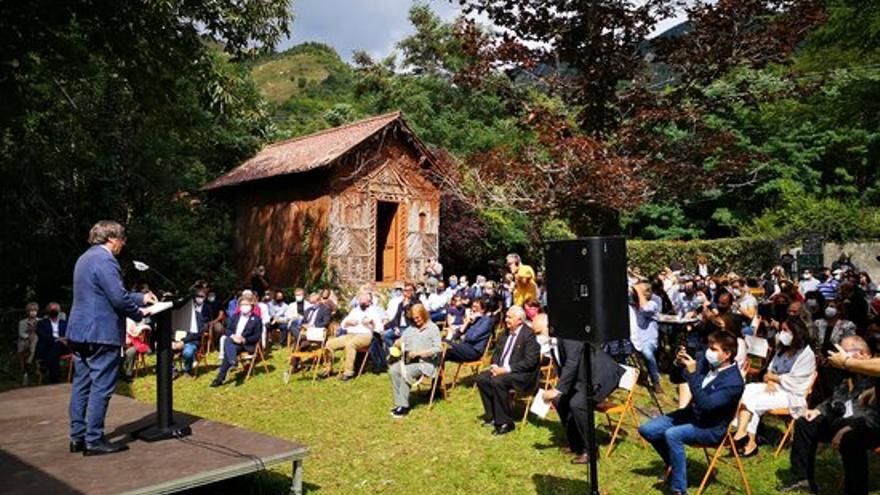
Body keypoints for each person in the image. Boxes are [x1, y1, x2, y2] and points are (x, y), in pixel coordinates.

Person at [67, 220, 156, 455]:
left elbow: (102, 293)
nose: (123, 245)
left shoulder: (84, 258)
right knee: (102, 387)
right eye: (122, 240)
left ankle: (77, 438)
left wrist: (140, 297)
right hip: (100, 334)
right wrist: (140, 313)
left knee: (81, 385)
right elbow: (117, 299)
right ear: (111, 239)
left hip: (79, 332)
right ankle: (94, 440)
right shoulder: (107, 260)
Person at [638, 331, 745, 495]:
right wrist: (677, 362)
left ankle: (679, 490)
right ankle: (673, 461)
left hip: (711, 427)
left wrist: (693, 374)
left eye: (714, 349)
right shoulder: (704, 362)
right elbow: (675, 379)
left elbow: (706, 406)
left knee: (672, 434)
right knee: (647, 429)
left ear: (728, 354)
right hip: (691, 415)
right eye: (709, 347)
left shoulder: (734, 382)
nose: (709, 352)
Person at [778, 336, 877, 495]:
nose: (837, 357)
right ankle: (803, 479)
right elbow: (836, 400)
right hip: (842, 420)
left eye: (843, 353)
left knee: (850, 439)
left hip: (868, 426)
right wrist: (819, 410)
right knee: (805, 423)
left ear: (862, 354)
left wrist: (848, 427)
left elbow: (874, 415)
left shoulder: (874, 376)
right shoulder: (848, 375)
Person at [732, 317, 816, 456]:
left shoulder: (806, 355)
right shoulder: (782, 349)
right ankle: (743, 433)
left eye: (785, 330)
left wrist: (774, 378)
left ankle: (748, 439)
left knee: (757, 402)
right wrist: (771, 380)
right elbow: (770, 371)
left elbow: (795, 381)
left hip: (792, 394)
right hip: (775, 387)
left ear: (796, 332)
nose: (781, 334)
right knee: (746, 389)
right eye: (781, 330)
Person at [476, 305, 540, 435]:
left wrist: (505, 369)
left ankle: (505, 422)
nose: (506, 320)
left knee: (498, 381)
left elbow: (530, 361)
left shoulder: (528, 335)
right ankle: (492, 416)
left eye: (510, 317)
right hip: (502, 370)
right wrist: (494, 365)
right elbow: (496, 353)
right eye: (506, 316)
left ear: (520, 320)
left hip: (521, 375)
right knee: (482, 378)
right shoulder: (504, 333)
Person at [388, 304, 442, 418]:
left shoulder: (433, 328)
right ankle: (399, 403)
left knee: (405, 372)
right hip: (410, 361)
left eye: (418, 317)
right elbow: (402, 340)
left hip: (426, 363)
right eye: (413, 318)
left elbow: (438, 348)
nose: (416, 320)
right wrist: (398, 343)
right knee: (393, 370)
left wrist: (419, 353)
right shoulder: (411, 328)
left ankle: (404, 406)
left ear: (424, 314)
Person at [321, 292, 384, 381]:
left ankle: (348, 372)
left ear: (369, 302)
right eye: (361, 301)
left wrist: (371, 323)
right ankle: (328, 369)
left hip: (365, 335)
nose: (362, 303)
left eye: (364, 301)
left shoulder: (373, 312)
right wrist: (348, 323)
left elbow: (380, 328)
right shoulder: (355, 310)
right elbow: (343, 324)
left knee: (350, 345)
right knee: (330, 344)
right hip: (351, 334)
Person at [210, 291, 262, 387]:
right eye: (242, 304)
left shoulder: (257, 319)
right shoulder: (235, 317)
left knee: (227, 347)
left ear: (251, 305)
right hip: (234, 342)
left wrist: (243, 339)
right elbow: (228, 330)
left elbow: (257, 336)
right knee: (228, 340)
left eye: (246, 304)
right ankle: (232, 362)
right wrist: (233, 336)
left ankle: (221, 376)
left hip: (246, 345)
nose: (244, 306)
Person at [630, 280, 663, 394]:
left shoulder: (653, 304)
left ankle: (656, 381)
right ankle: (642, 377)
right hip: (633, 337)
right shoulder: (631, 304)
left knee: (648, 356)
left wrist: (638, 291)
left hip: (647, 339)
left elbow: (646, 309)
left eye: (639, 291)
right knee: (637, 360)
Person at [444, 298, 494, 363]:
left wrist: (463, 337)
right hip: (464, 347)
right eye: (472, 307)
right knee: (440, 351)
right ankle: (436, 372)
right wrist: (467, 321)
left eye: (476, 307)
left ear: (483, 310)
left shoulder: (486, 321)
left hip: (473, 351)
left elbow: (472, 337)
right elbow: (456, 336)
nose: (473, 309)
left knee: (446, 346)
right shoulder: (471, 319)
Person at [172, 289, 207, 378]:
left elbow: (198, 333)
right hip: (175, 341)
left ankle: (187, 369)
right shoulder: (175, 315)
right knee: (163, 349)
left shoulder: (198, 316)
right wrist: (172, 341)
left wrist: (183, 342)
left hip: (190, 341)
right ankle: (172, 370)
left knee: (188, 352)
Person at [35, 302, 70, 382]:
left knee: (56, 347)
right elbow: (42, 335)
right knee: (54, 346)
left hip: (63, 347)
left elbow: (69, 334)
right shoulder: (42, 323)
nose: (54, 310)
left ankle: (53, 375)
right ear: (48, 311)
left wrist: (63, 339)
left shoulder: (64, 323)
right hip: (47, 346)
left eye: (55, 309)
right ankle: (55, 376)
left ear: (59, 311)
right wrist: (56, 339)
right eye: (52, 309)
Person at [18, 302, 40, 368]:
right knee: (34, 337)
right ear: (28, 312)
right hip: (25, 341)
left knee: (35, 336)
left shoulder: (40, 321)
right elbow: (21, 333)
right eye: (31, 311)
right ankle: (29, 360)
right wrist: (28, 336)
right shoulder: (22, 322)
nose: (33, 312)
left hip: (37, 341)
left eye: (35, 310)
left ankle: (29, 360)